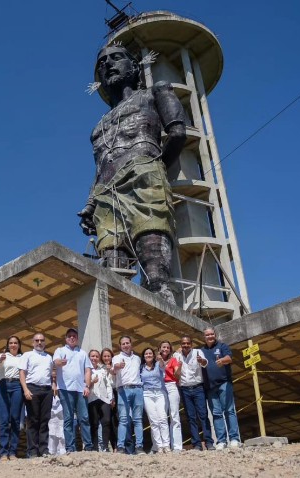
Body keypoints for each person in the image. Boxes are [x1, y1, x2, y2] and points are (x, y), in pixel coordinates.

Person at [78, 43, 187, 303]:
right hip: (106, 196)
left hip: (144, 180)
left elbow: (177, 133)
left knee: (155, 273)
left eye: (116, 58)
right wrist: (90, 203)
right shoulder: (98, 126)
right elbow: (101, 164)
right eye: (102, 63)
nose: (108, 64)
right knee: (111, 276)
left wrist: (153, 167)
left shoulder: (154, 93)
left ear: (134, 66)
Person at [53, 327, 93, 452]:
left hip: (81, 389)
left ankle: (88, 445)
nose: (72, 337)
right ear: (66, 338)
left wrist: (87, 385)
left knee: (84, 418)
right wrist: (60, 362)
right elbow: (55, 363)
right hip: (65, 389)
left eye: (74, 336)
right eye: (69, 336)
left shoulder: (82, 353)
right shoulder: (60, 350)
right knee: (68, 418)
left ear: (77, 338)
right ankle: (70, 447)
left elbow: (88, 370)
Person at [201, 327, 241, 449]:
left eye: (212, 334)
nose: (210, 336)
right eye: (207, 335)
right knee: (216, 413)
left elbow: (229, 358)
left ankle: (234, 438)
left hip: (224, 383)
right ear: (204, 337)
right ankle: (221, 440)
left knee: (229, 411)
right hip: (210, 387)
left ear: (215, 335)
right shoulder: (201, 350)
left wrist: (222, 360)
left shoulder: (222, 346)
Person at [19, 333, 54, 458]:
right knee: (33, 420)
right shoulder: (27, 355)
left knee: (45, 420)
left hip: (46, 390)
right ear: (32, 342)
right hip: (32, 388)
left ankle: (44, 449)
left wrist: (53, 386)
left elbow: (50, 374)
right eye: (37, 340)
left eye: (42, 340)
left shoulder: (49, 357)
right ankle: (33, 450)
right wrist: (25, 390)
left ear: (45, 342)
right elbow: (22, 373)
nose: (39, 342)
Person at [175, 335, 213, 451]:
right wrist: (179, 366)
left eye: (188, 343)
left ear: (191, 344)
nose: (186, 345)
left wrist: (201, 361)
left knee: (203, 415)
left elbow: (205, 363)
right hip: (185, 389)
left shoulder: (198, 352)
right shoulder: (177, 356)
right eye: (183, 343)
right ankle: (196, 444)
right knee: (191, 418)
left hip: (198, 388)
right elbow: (176, 374)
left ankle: (209, 442)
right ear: (180, 345)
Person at [112, 336, 144, 454]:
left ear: (131, 344)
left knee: (138, 419)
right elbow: (114, 369)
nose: (125, 345)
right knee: (123, 419)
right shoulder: (117, 358)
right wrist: (118, 366)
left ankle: (139, 446)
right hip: (123, 390)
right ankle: (120, 447)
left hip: (137, 389)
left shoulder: (137, 358)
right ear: (120, 346)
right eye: (123, 343)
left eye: (127, 343)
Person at [0, 335, 24, 460]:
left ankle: (12, 452)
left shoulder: (22, 357)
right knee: (4, 419)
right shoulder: (3, 356)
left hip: (17, 385)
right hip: (4, 385)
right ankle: (3, 453)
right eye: (11, 343)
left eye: (15, 343)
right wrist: (0, 360)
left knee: (15, 419)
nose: (13, 345)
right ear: (8, 345)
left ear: (19, 345)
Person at [141, 347, 170, 453]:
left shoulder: (158, 364)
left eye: (150, 354)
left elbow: (163, 366)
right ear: (143, 356)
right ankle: (159, 446)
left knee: (162, 418)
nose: (148, 355)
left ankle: (166, 444)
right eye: (146, 354)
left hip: (159, 393)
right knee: (153, 421)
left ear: (153, 355)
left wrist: (160, 359)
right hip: (147, 394)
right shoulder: (141, 368)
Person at [87, 349, 113, 452]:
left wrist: (111, 398)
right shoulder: (86, 371)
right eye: (92, 356)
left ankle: (105, 446)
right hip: (92, 399)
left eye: (97, 356)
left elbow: (108, 385)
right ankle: (95, 446)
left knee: (106, 421)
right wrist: (91, 382)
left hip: (104, 399)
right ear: (89, 358)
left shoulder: (102, 370)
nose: (94, 358)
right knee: (94, 423)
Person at [159, 340, 182, 452]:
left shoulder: (173, 360)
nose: (165, 349)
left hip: (171, 386)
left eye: (168, 347)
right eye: (164, 347)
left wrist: (179, 368)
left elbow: (177, 374)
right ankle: (164, 445)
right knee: (162, 417)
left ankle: (177, 446)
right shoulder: (155, 360)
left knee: (174, 415)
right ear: (159, 348)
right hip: (159, 388)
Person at [100, 348, 118, 452]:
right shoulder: (100, 368)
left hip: (115, 392)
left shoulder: (115, 367)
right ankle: (109, 445)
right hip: (105, 395)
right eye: (104, 356)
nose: (107, 358)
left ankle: (117, 445)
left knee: (116, 420)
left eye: (108, 356)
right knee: (107, 421)